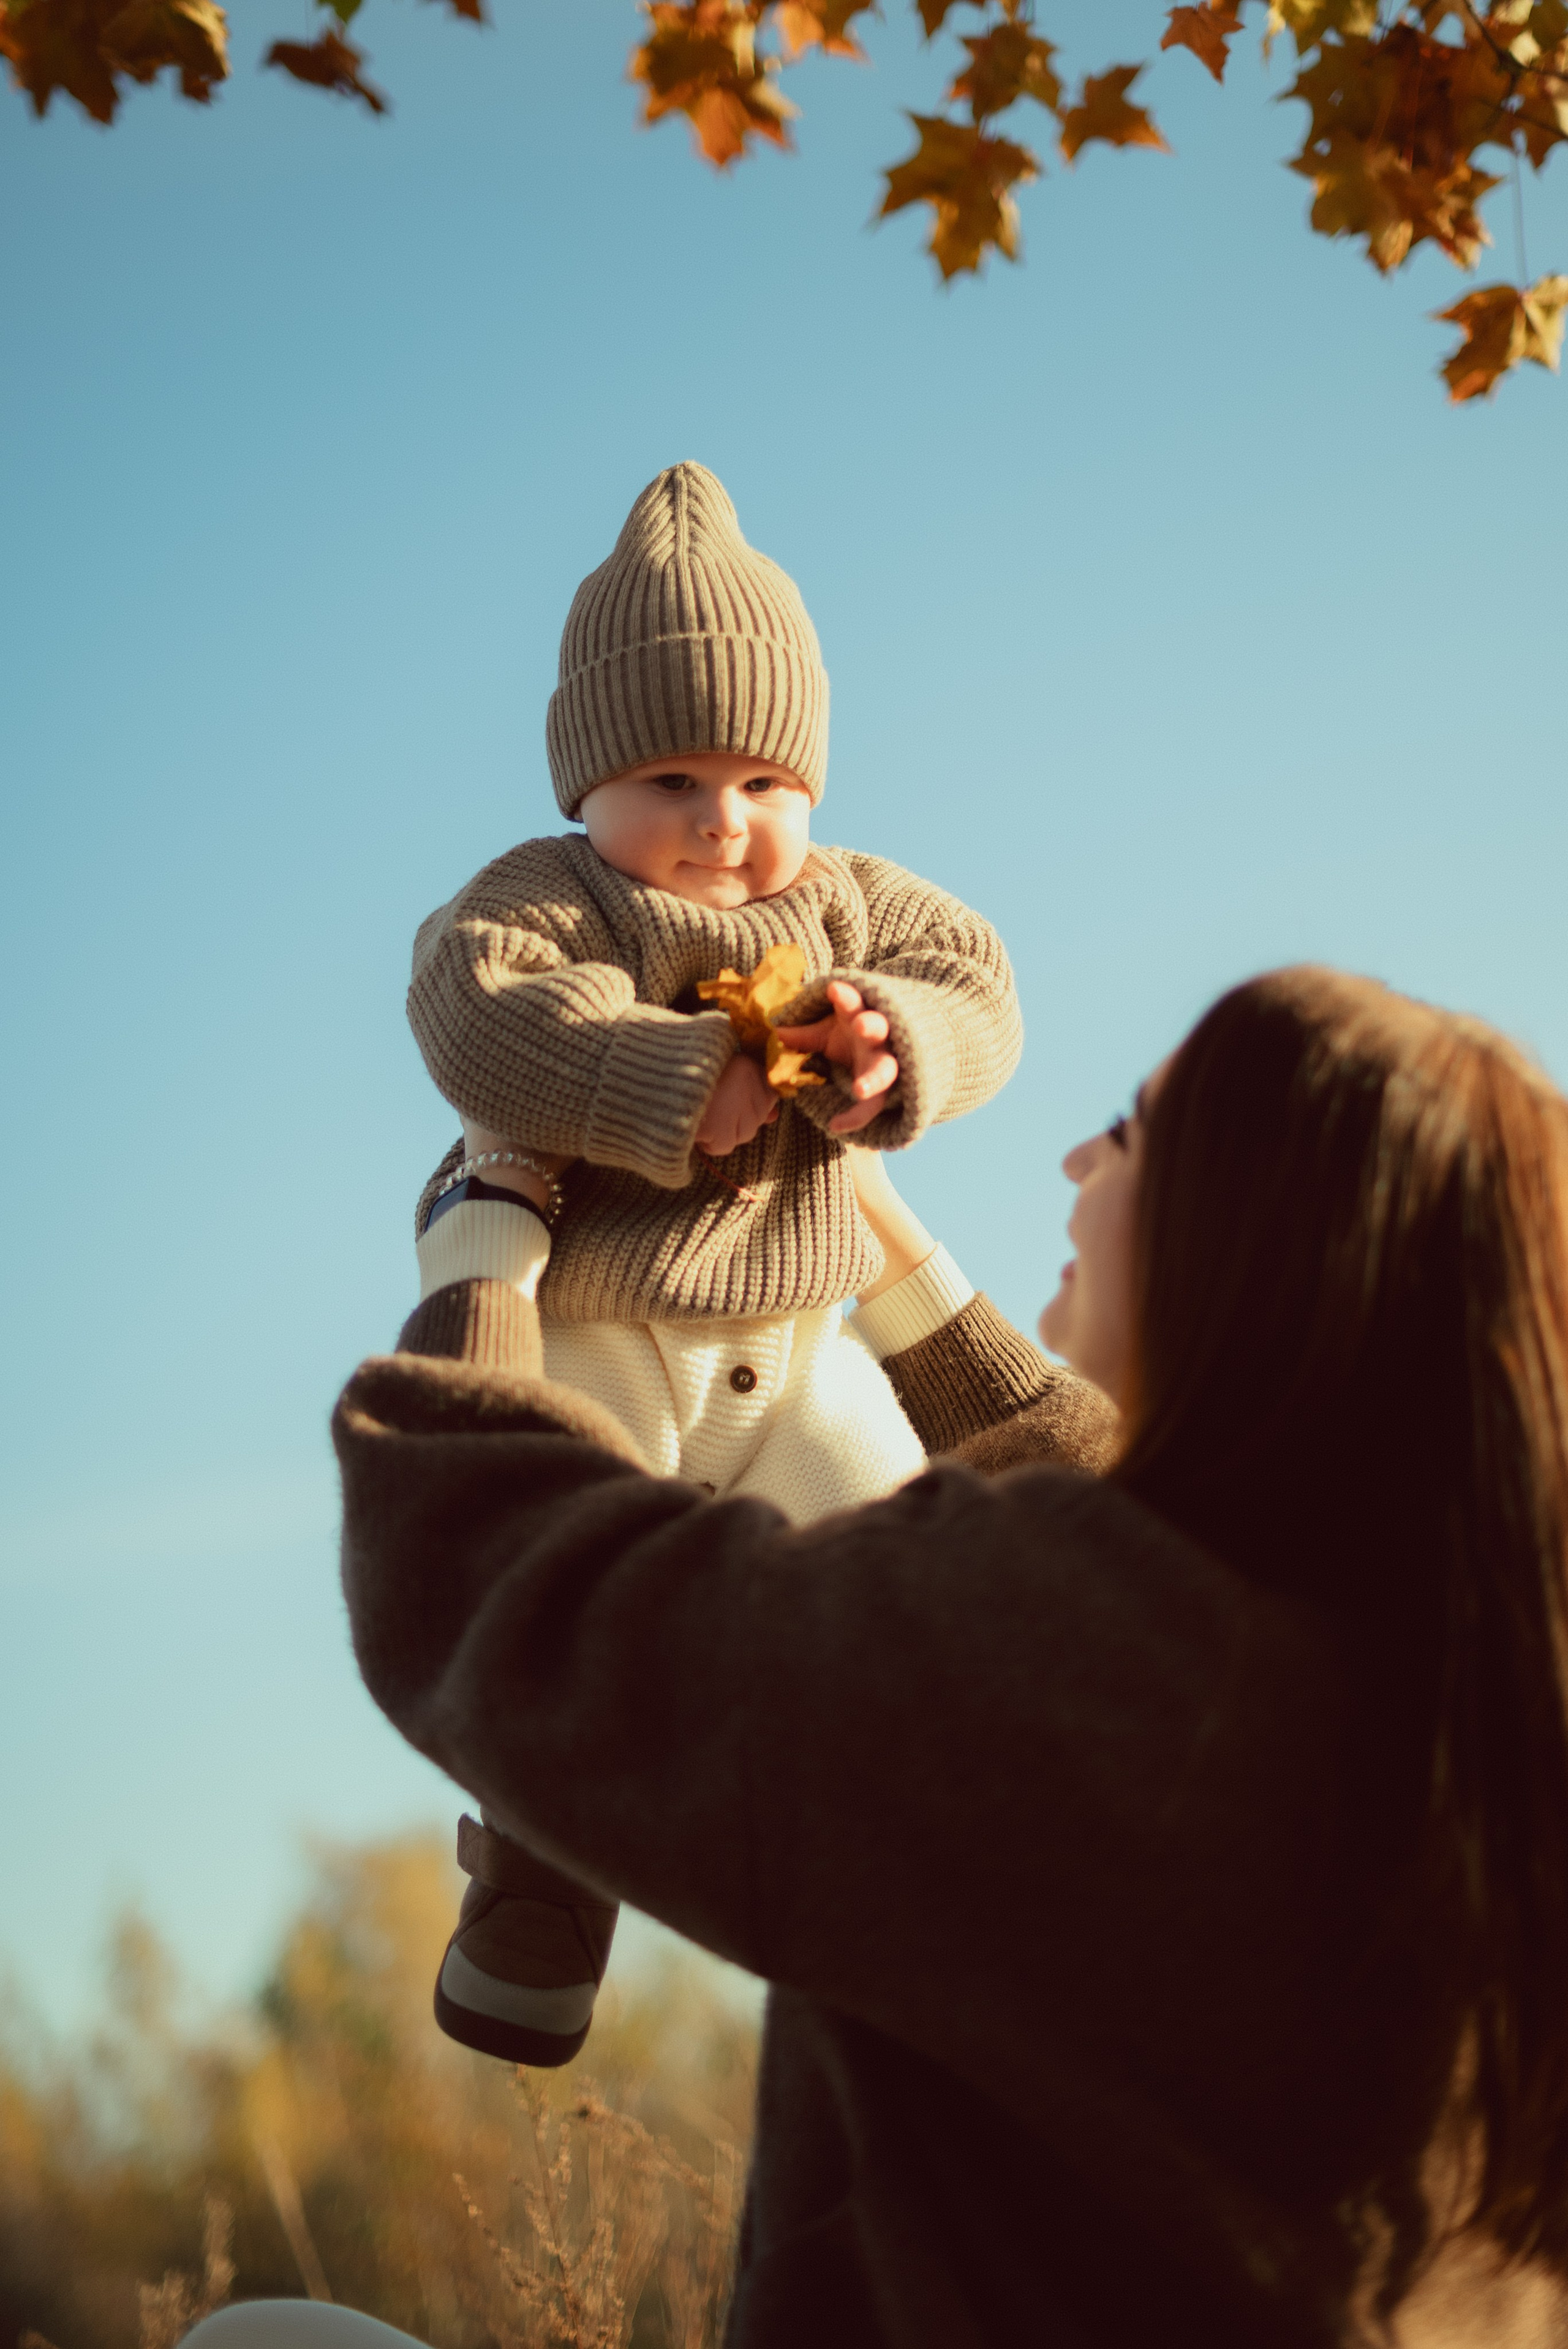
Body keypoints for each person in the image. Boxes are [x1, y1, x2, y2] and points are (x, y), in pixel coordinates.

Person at [335, 964, 1568, 2345]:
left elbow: (515, 1594)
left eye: (1131, 1129)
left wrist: (483, 1248)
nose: (1073, 1155)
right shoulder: (1474, 1707)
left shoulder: (1067, 1658)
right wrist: (854, 1219)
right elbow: (1116, 1484)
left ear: (1250, 1239)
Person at [405, 459, 1022, 2064]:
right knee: (585, 1609)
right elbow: (476, 1016)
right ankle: (536, 1898)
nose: (719, 823)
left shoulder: (850, 904)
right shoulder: (552, 901)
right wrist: (665, 1078)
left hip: (804, 1349)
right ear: (584, 790)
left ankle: (966, 1875)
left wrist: (902, 1049)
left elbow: (980, 983)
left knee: (917, 1581)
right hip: (613, 1339)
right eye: (669, 777)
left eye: (759, 781)